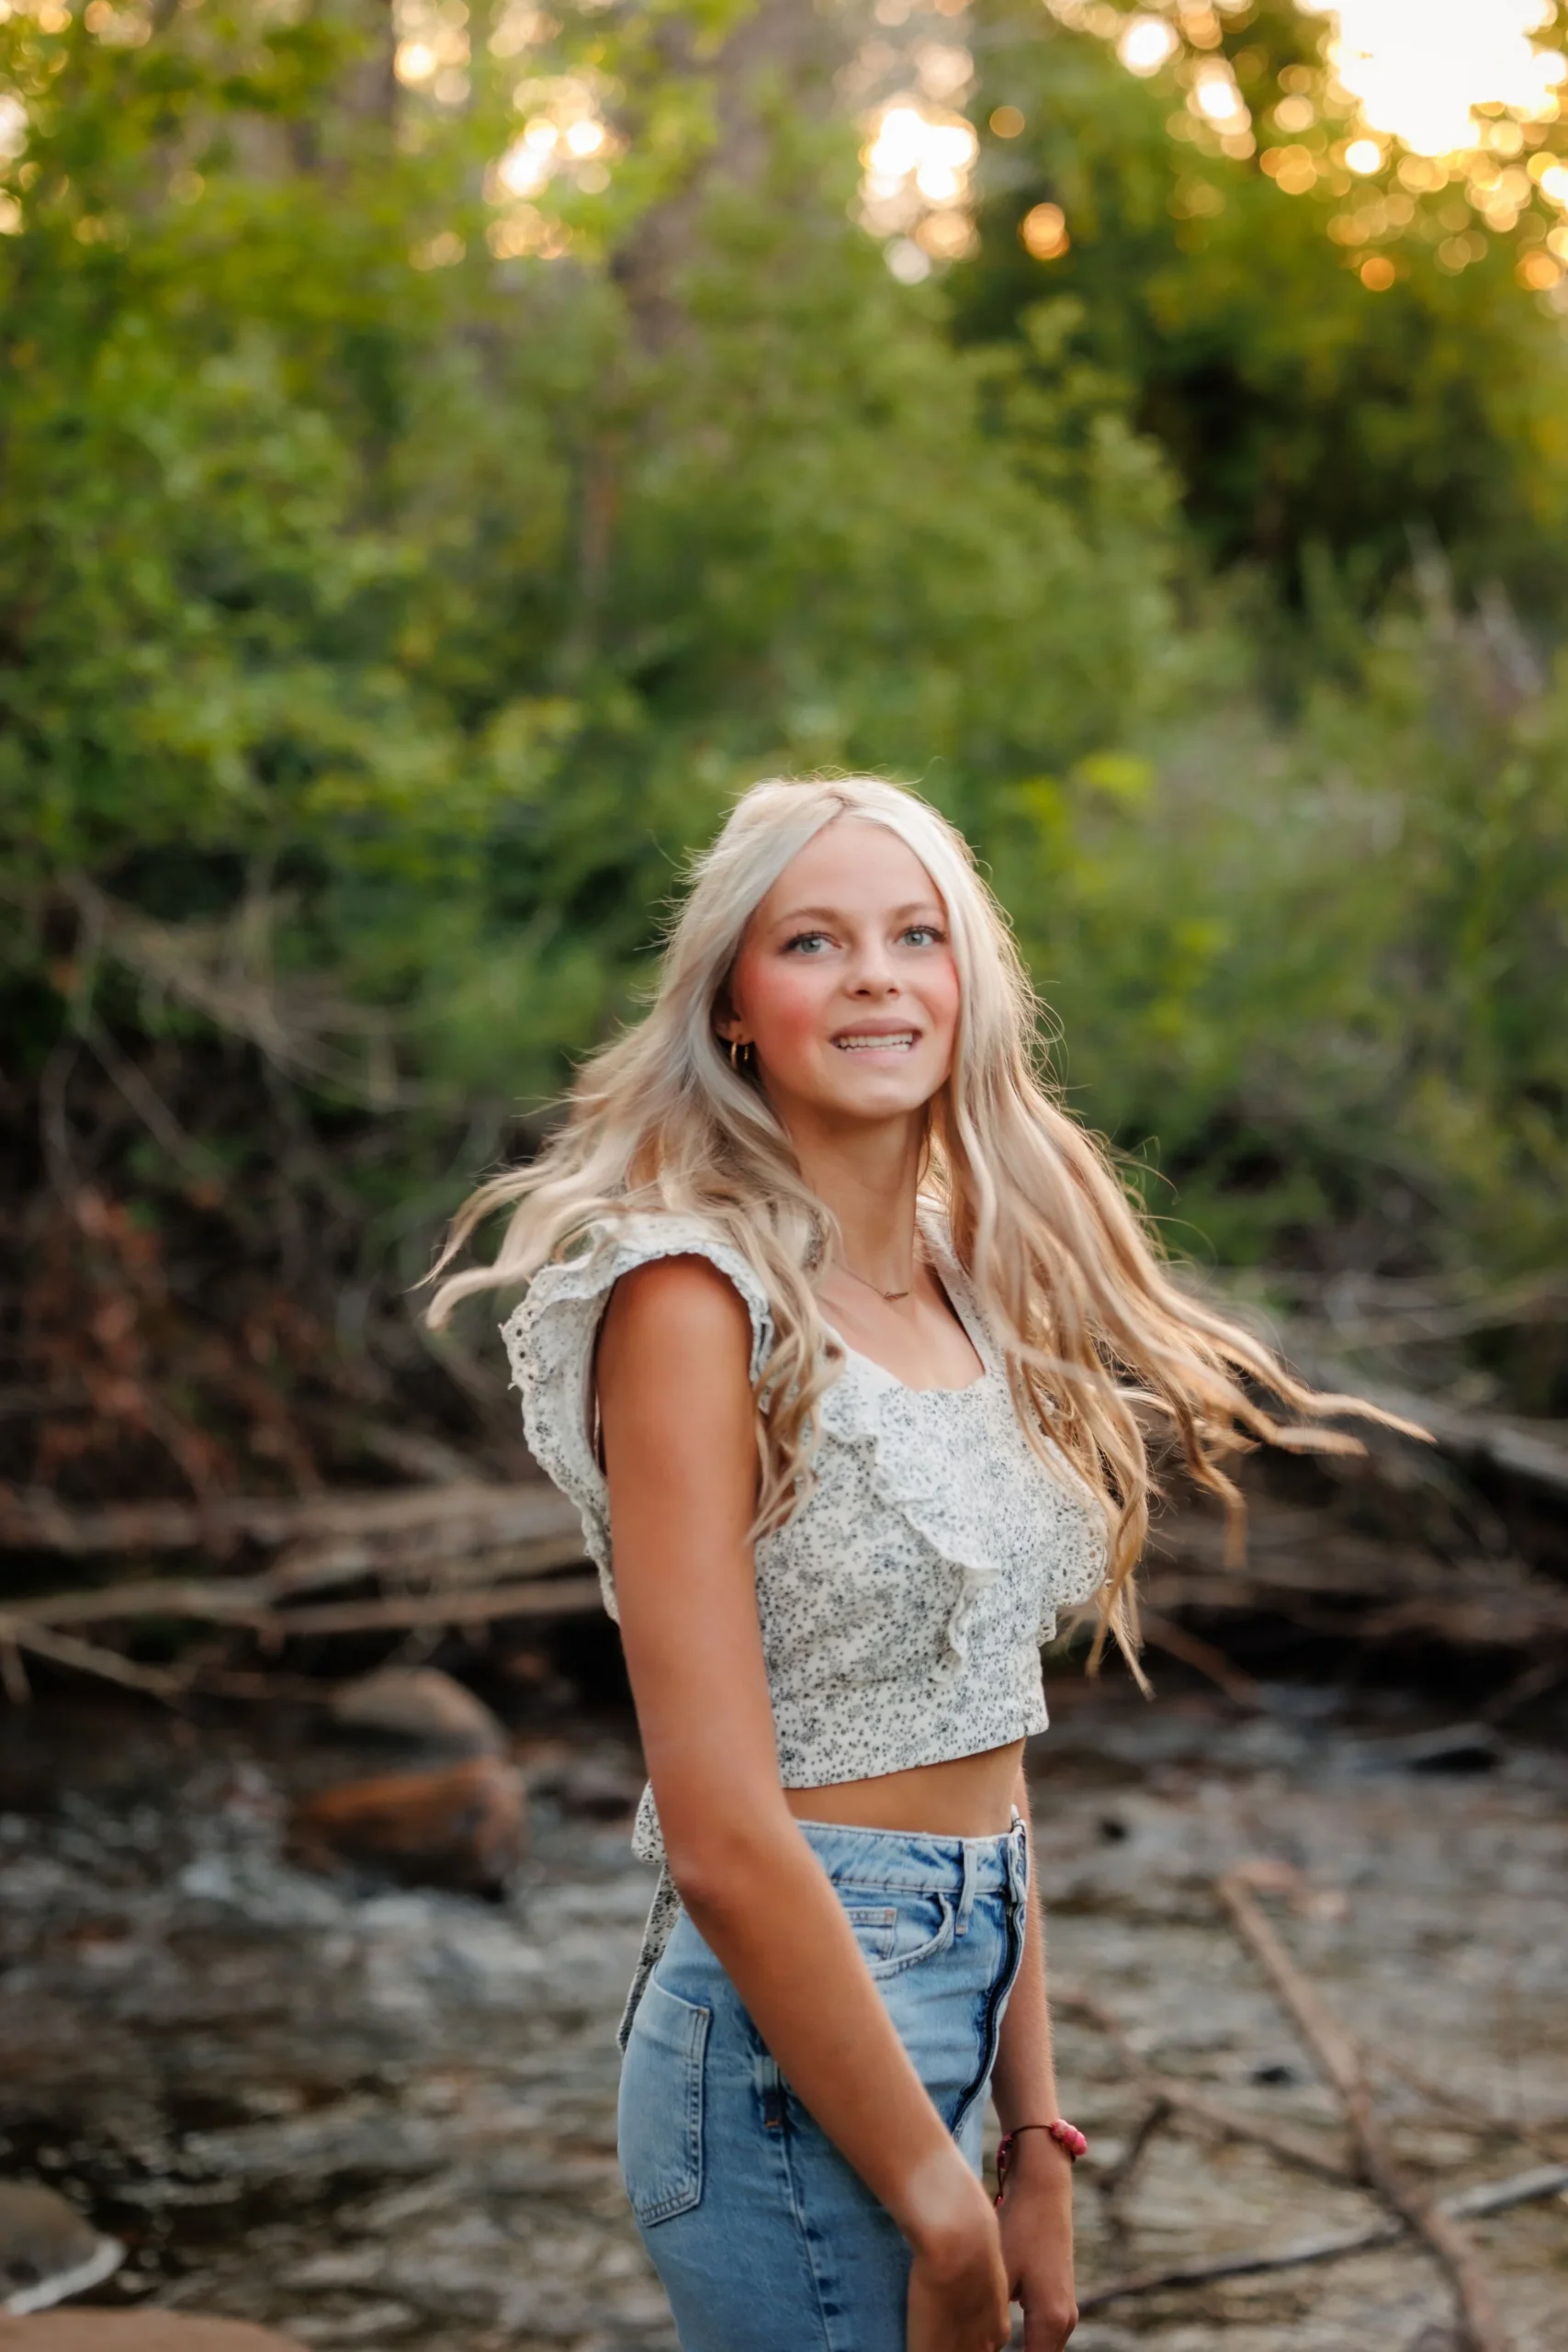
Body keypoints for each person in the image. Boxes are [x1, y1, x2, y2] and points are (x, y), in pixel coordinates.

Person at [429, 775, 1374, 2352]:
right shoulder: (691, 1302)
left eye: (913, 935)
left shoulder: (969, 1281)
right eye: (812, 941)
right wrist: (936, 2209)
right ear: (734, 1009)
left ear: (969, 981)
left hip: (963, 2001)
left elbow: (988, 1746)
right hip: (783, 2054)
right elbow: (721, 1836)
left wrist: (1030, 2139)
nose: (874, 975)